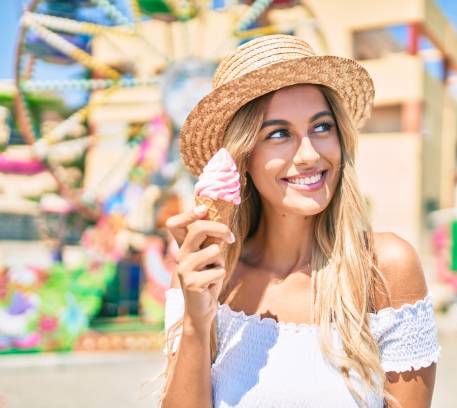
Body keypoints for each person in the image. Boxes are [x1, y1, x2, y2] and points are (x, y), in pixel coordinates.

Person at [160, 34, 441, 408]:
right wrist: (197, 321)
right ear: (243, 158)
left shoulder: (385, 269)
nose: (309, 154)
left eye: (322, 127)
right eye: (279, 134)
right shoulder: (206, 274)